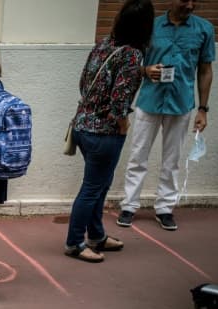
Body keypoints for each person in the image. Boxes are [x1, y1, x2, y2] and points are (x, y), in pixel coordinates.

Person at [64, 0, 155, 263]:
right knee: (93, 188)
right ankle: (74, 242)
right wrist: (122, 124)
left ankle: (97, 236)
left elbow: (83, 82)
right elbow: (119, 101)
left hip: (82, 126)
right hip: (104, 133)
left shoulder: (104, 45)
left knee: (99, 185)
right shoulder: (132, 54)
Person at [117, 0, 215, 231]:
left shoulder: (204, 29)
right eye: (184, 0)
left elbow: (205, 70)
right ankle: (129, 205)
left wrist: (203, 109)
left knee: (172, 160)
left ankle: (164, 208)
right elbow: (131, 61)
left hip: (181, 103)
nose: (190, 5)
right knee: (137, 156)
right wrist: (144, 70)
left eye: (194, 1)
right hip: (149, 100)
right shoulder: (150, 26)